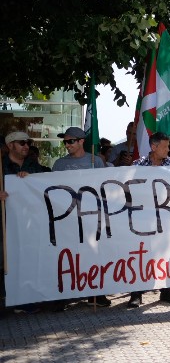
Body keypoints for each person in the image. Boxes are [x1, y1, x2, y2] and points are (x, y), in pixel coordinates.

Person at [51, 127, 108, 308]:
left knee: (92, 255)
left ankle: (96, 293)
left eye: (71, 141)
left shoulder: (96, 161)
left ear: (81, 141)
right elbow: (51, 188)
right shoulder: (59, 164)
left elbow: (104, 186)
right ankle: (63, 295)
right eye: (65, 142)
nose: (67, 145)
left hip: (90, 217)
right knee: (67, 255)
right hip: (67, 217)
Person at [128, 132, 170, 308]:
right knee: (141, 254)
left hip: (166, 217)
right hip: (143, 217)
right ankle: (136, 293)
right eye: (165, 147)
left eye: (168, 146)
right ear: (154, 147)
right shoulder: (138, 165)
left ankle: (166, 289)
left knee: (165, 253)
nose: (168, 150)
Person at [2, 131, 47, 312]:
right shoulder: (1, 166)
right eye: (22, 143)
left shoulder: (34, 166)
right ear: (10, 145)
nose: (26, 146)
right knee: (5, 261)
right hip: (5, 223)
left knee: (28, 259)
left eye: (28, 142)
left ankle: (25, 300)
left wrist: (32, 180)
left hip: (29, 223)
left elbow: (45, 188)